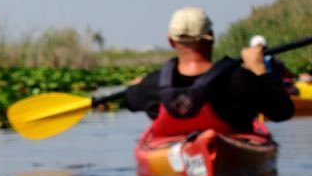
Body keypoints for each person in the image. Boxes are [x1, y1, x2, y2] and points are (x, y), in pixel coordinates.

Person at [122, 7, 295, 136]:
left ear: (171, 41)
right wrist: (260, 71)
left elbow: (129, 101)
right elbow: (282, 112)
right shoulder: (241, 79)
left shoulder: (153, 84)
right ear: (211, 36)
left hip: (174, 160)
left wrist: (137, 87)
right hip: (233, 162)